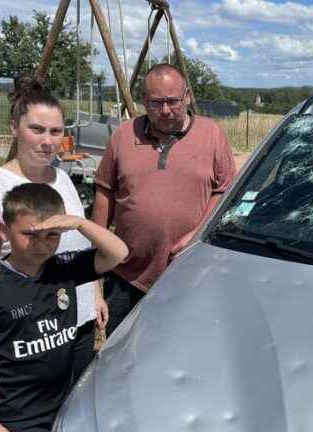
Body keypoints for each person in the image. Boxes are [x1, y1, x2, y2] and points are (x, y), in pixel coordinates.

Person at [0, 183, 128, 432]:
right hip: (19, 417)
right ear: (4, 230)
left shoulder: (64, 267)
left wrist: (81, 223)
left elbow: (118, 253)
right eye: (30, 235)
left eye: (52, 235)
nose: (42, 245)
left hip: (67, 404)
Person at [0, 74, 107, 336]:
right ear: (14, 127)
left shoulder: (62, 178)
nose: (48, 141)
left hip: (77, 316)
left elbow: (79, 246)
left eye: (56, 131)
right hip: (31, 324)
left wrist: (94, 294)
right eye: (36, 129)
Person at [93, 64, 236, 335]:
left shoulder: (211, 134)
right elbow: (104, 192)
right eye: (156, 103)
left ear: (187, 97)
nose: (166, 110)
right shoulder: (123, 135)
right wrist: (95, 268)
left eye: (173, 101)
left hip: (189, 274)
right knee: (120, 352)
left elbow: (225, 190)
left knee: (180, 348)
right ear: (144, 101)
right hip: (127, 275)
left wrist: (197, 233)